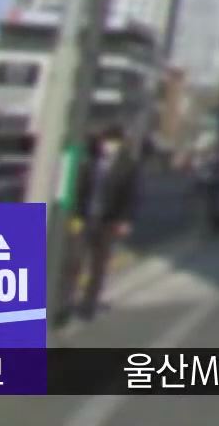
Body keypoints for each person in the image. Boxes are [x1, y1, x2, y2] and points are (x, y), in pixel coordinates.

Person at [63, 126, 141, 322]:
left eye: (112, 142)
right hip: (84, 217)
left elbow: (131, 195)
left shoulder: (128, 165)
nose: (107, 146)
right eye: (105, 141)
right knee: (74, 260)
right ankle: (66, 301)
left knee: (99, 265)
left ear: (120, 144)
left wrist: (125, 220)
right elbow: (80, 188)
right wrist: (74, 214)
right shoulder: (91, 160)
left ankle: (88, 305)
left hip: (109, 221)